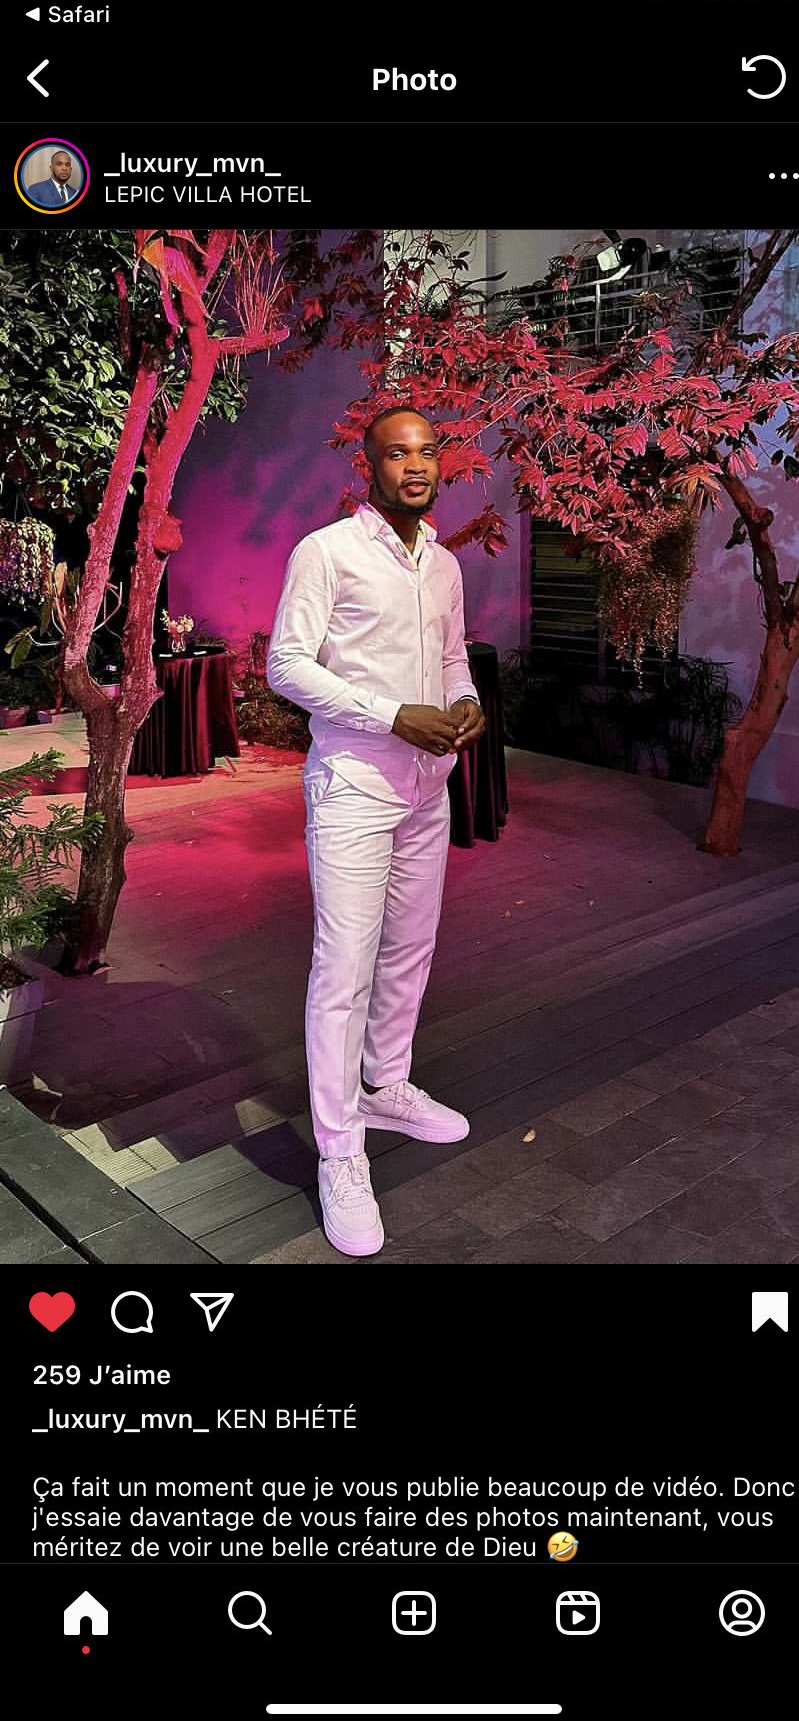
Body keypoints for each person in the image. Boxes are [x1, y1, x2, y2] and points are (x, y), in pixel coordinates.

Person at [267, 407, 486, 1257]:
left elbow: (454, 656)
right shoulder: (326, 552)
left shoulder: (445, 563)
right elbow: (288, 664)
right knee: (344, 969)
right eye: (398, 453)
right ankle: (339, 1151)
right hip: (355, 785)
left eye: (428, 451)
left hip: (428, 786)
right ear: (370, 465)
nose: (416, 465)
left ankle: (386, 1085)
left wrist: (464, 702)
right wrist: (393, 714)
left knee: (410, 948)